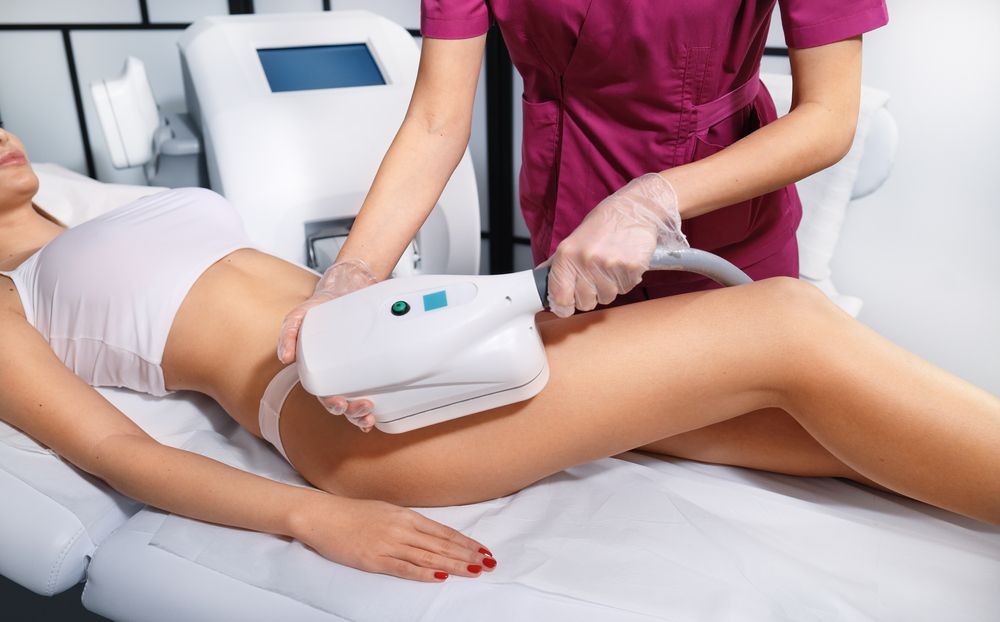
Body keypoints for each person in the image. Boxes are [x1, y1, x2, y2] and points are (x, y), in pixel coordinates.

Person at [1, 130, 997, 586]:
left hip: (423, 342)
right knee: (784, 323)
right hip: (352, 417)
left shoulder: (83, 204)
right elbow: (114, 450)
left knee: (811, 425)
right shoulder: (7, 300)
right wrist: (318, 515)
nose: (3, 133)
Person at [277, 0, 892, 425]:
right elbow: (437, 120)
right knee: (615, 443)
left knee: (754, 434)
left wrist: (655, 198)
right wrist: (355, 271)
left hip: (723, 231)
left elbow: (829, 119)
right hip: (570, 237)